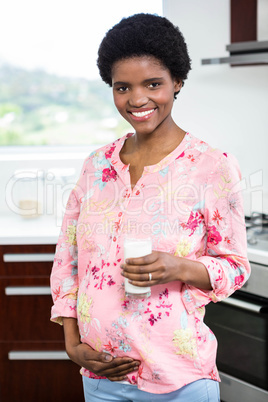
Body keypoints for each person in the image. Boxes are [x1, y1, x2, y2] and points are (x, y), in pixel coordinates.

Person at [50, 13, 250, 402]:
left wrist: (179, 267)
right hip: (101, 376)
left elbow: (236, 266)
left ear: (177, 82)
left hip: (179, 379)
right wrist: (72, 343)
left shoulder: (211, 165)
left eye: (153, 84)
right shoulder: (97, 165)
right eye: (122, 87)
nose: (137, 99)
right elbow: (67, 260)